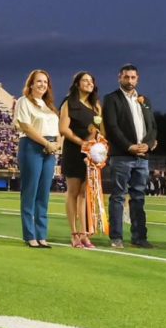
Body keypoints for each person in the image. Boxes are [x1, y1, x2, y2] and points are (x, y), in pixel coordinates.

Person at [101, 64, 158, 249]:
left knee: (139, 197)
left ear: (138, 78)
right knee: (118, 196)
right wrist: (129, 146)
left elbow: (153, 127)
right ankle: (116, 237)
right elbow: (112, 127)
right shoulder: (111, 99)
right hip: (122, 156)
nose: (130, 81)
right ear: (119, 78)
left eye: (133, 77)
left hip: (142, 157)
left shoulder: (145, 100)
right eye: (126, 77)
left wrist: (147, 145)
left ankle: (139, 237)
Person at [14, 70, 61, 248]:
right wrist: (46, 144)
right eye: (38, 81)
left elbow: (57, 131)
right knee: (30, 192)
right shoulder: (24, 101)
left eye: (45, 82)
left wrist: (56, 144)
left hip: (50, 149)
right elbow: (26, 126)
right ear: (31, 84)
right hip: (32, 146)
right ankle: (29, 235)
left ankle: (42, 234)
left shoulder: (49, 106)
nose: (42, 84)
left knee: (44, 194)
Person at [58, 72, 101, 249]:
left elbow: (99, 130)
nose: (89, 83)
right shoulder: (69, 103)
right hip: (73, 151)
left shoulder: (96, 106)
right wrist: (82, 143)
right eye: (85, 80)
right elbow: (63, 129)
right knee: (73, 192)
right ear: (77, 84)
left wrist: (97, 144)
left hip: (90, 155)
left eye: (91, 80)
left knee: (85, 194)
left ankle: (84, 233)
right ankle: (74, 233)